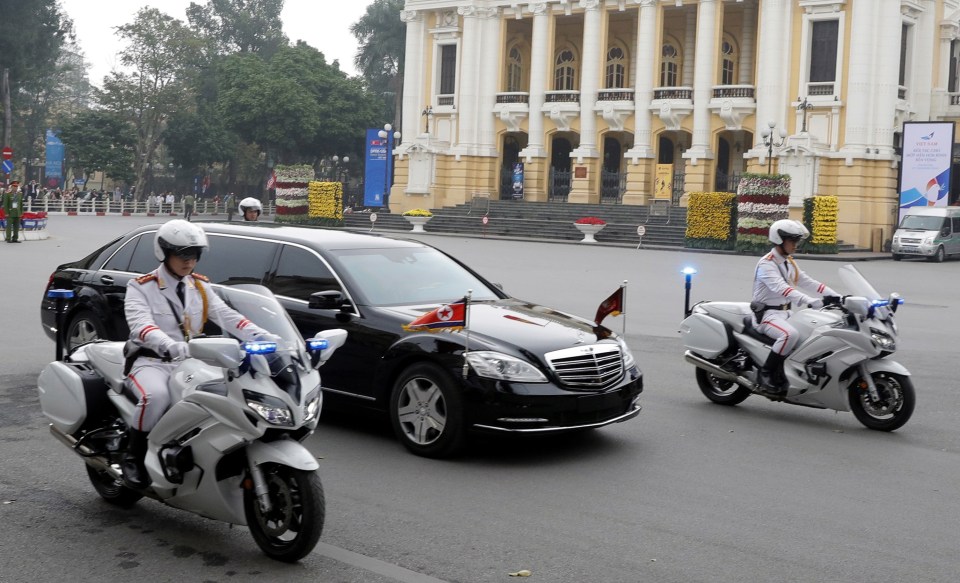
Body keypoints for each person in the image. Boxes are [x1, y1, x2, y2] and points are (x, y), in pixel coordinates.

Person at [122, 219, 272, 488]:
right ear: (164, 253)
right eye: (182, 254)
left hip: (191, 362)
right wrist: (168, 343)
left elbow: (229, 317)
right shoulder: (141, 286)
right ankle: (134, 457)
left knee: (224, 397)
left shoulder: (200, 286)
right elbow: (141, 326)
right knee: (156, 397)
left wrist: (264, 335)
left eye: (194, 255)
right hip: (152, 361)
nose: (189, 261)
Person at [752, 219, 837, 394]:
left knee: (813, 331)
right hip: (767, 315)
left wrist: (837, 296)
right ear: (780, 240)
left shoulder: (788, 262)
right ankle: (766, 373)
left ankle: (793, 372)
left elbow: (807, 281)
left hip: (785, 313)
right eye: (792, 241)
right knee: (789, 335)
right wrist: (809, 301)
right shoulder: (766, 264)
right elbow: (782, 288)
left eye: (796, 241)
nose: (796, 245)